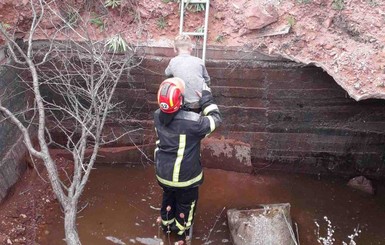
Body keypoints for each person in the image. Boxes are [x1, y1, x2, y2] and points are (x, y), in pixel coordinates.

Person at [153, 77, 222, 244]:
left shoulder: (157, 116)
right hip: (186, 178)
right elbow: (215, 119)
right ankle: (180, 234)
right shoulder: (194, 123)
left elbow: (176, 120)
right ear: (180, 100)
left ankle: (166, 225)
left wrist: (186, 109)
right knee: (186, 205)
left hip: (163, 174)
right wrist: (206, 99)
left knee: (168, 197)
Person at [165, 34, 211, 112]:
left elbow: (167, 74)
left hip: (181, 104)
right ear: (191, 48)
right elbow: (207, 80)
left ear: (175, 50)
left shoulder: (173, 61)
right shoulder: (199, 61)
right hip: (199, 102)